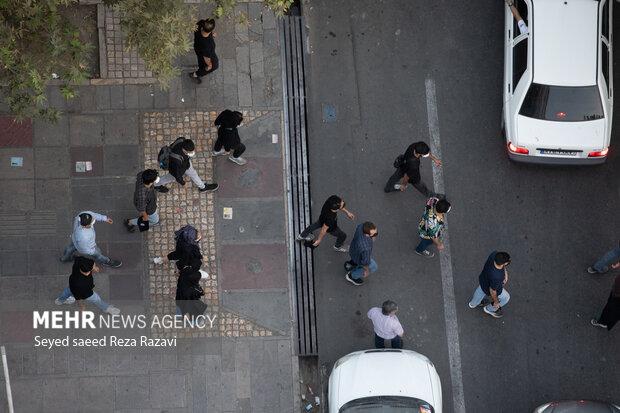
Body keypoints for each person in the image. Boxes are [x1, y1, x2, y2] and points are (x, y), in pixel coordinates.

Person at [55, 256, 120, 315]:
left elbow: (83, 260)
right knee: (96, 299)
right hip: (84, 292)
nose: (95, 268)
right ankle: (106, 308)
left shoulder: (79, 262)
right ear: (87, 272)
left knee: (67, 292)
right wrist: (81, 306)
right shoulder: (81, 284)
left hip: (72, 284)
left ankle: (60, 301)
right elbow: (78, 297)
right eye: (92, 268)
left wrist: (93, 266)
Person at [154, 138, 218, 193]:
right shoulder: (176, 160)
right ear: (184, 150)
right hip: (176, 169)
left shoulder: (182, 140)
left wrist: (187, 162)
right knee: (167, 178)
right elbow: (177, 174)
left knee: (193, 173)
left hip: (186, 164)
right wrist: (183, 183)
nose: (192, 153)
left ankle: (203, 187)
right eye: (190, 152)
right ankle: (156, 184)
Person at [468, 251, 511, 319]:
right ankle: (489, 309)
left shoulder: (494, 254)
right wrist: (496, 302)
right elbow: (492, 290)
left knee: (481, 290)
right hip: (491, 287)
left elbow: (501, 265)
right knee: (506, 297)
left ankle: (473, 304)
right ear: (504, 263)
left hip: (484, 280)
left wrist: (504, 272)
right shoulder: (497, 277)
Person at [344, 222, 378, 286]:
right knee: (374, 266)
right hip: (359, 257)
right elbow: (365, 262)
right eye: (374, 234)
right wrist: (367, 271)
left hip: (353, 249)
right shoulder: (366, 247)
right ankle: (352, 276)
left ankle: (351, 264)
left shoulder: (361, 226)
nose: (376, 235)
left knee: (355, 258)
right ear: (367, 235)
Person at [189, 18, 218, 83]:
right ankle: (195, 75)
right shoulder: (209, 45)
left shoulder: (200, 23)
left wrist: (211, 34)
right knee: (213, 66)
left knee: (200, 61)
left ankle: (196, 73)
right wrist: (209, 66)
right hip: (204, 55)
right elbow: (206, 58)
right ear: (211, 30)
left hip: (197, 47)